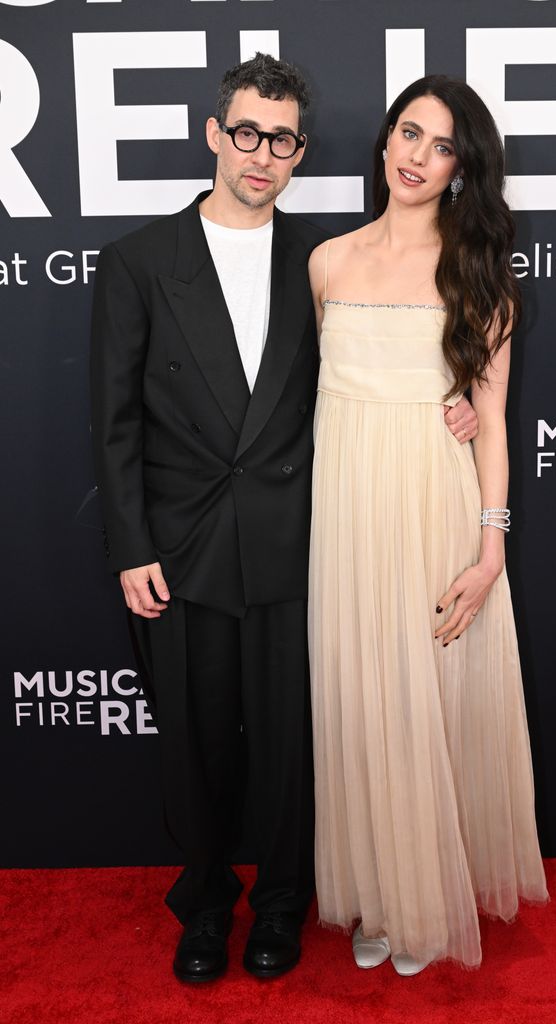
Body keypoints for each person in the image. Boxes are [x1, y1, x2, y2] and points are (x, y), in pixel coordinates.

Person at [90, 55, 478, 984]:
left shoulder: (321, 257)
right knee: (192, 742)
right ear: (217, 134)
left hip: (299, 543)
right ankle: (206, 905)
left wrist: (452, 402)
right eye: (249, 133)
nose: (264, 154)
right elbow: (113, 421)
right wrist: (131, 544)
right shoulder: (139, 261)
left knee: (292, 745)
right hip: (180, 550)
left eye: (284, 139)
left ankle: (278, 905)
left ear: (301, 153)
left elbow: (374, 369)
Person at [308, 75, 549, 976]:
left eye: (441, 146)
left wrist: (490, 551)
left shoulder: (476, 270)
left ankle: (425, 900)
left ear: (460, 170)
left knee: (427, 704)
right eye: (409, 133)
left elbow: (490, 419)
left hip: (433, 507)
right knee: (361, 703)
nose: (416, 156)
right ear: (384, 139)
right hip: (344, 513)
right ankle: (378, 889)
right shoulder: (326, 262)